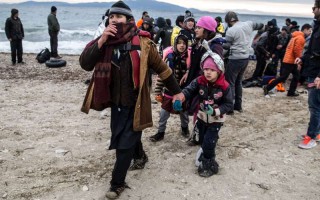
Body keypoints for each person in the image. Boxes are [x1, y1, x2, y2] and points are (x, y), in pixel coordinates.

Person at [79, 1, 183, 198]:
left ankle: (116, 184)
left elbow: (163, 69)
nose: (114, 20)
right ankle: (141, 156)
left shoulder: (144, 44)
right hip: (115, 102)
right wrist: (101, 40)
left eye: (119, 17)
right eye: (111, 17)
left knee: (123, 144)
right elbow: (85, 63)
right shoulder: (104, 42)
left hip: (136, 102)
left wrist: (177, 91)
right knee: (123, 135)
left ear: (129, 20)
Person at [173, 46, 233, 177]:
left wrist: (215, 111)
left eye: (212, 70)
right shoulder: (199, 81)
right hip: (201, 117)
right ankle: (203, 150)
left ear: (219, 71)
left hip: (215, 120)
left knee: (209, 143)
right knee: (201, 138)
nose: (208, 72)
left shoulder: (224, 86)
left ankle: (209, 164)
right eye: (206, 69)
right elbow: (188, 90)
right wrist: (181, 97)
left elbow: (229, 104)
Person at [150, 34, 191, 142]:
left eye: (184, 43)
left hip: (183, 92)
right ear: (175, 44)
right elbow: (162, 76)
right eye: (179, 43)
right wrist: (158, 91)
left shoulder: (189, 59)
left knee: (184, 113)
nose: (182, 46)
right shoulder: (170, 57)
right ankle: (160, 132)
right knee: (164, 113)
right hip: (169, 91)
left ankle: (184, 129)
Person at [223, 11, 264, 114]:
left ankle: (230, 108)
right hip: (246, 58)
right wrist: (258, 36)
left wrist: (220, 43)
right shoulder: (249, 24)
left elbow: (227, 47)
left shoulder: (231, 31)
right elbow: (261, 26)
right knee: (238, 82)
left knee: (230, 83)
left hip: (234, 58)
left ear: (229, 21)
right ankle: (238, 106)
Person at [295, 0, 320, 149]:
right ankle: (316, 132)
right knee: (317, 104)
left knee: (315, 106)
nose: (312, 10)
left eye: (315, 8)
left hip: (317, 73)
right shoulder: (316, 27)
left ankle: (311, 137)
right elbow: (311, 51)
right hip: (312, 70)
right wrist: (302, 59)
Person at [263, 28, 305, 97]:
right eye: (309, 30)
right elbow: (297, 50)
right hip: (291, 61)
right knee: (284, 77)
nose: (310, 32)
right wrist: (299, 61)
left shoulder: (293, 37)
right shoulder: (300, 38)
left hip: (288, 59)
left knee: (296, 76)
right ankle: (268, 87)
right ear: (304, 30)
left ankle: (291, 92)